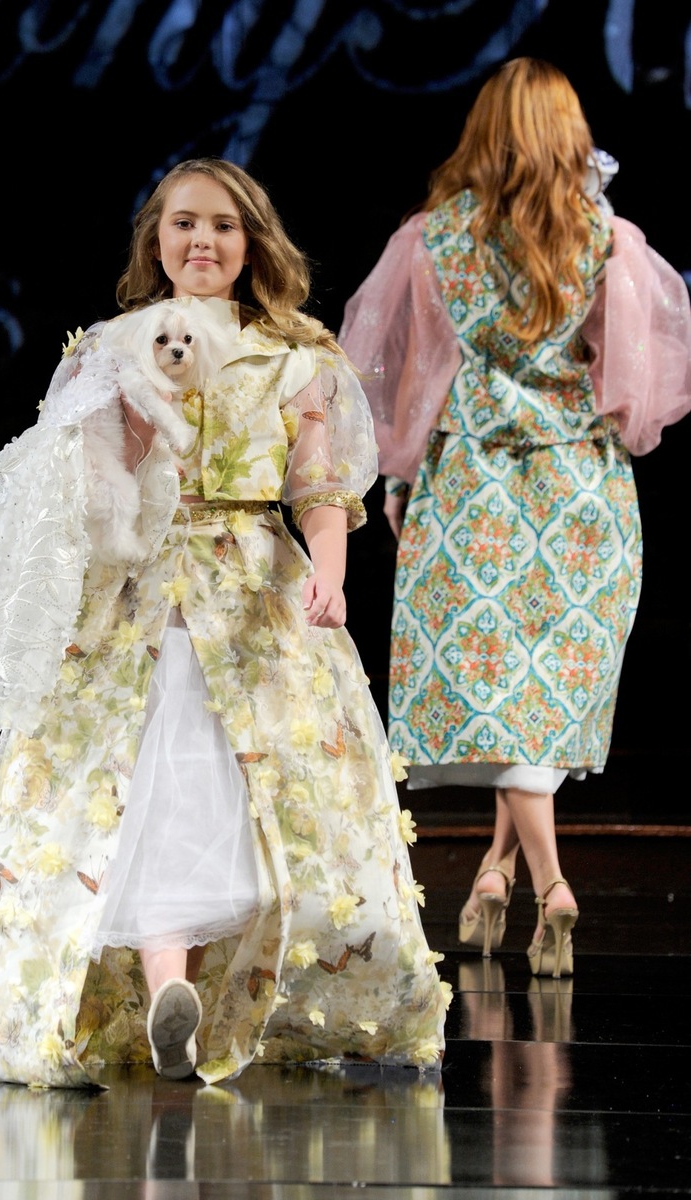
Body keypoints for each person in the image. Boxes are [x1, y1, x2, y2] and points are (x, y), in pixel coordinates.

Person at [0, 157, 450, 1090]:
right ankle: (166, 990)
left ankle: (211, 987)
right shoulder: (112, 348)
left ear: (251, 242)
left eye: (222, 224)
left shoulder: (296, 357)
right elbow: (82, 484)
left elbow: (320, 487)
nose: (202, 241)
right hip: (136, 588)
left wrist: (330, 577)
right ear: (156, 240)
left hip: (251, 586)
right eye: (183, 223)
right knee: (140, 776)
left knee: (238, 783)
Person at [339, 57, 691, 979]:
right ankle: (506, 876)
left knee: (509, 699)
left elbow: (406, 371)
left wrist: (399, 479)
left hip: (475, 489)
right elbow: (636, 391)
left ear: (483, 131)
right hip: (579, 488)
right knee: (532, 701)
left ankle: (543, 879)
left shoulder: (434, 237)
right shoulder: (605, 239)